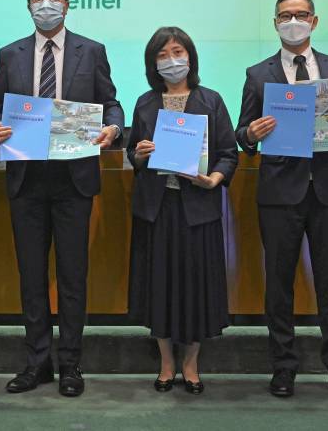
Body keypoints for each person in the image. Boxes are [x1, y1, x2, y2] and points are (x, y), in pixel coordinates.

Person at [0, 0, 124, 397]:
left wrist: (113, 130)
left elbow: (111, 104)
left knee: (72, 275)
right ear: (28, 2)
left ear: (68, 2)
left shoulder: (92, 50)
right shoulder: (10, 54)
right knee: (30, 276)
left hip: (73, 178)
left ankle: (70, 364)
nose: (46, 3)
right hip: (26, 178)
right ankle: (36, 363)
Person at [236, 0, 328, 399]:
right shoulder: (258, 74)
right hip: (279, 192)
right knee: (278, 284)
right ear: (275, 22)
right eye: (285, 16)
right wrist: (251, 136)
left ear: (315, 19)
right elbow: (242, 134)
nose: (293, 21)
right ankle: (283, 367)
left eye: (300, 14)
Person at [127, 26, 237, 395]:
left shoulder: (212, 100)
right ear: (152, 63)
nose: (171, 60)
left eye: (177, 51)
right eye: (162, 54)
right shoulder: (144, 103)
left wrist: (216, 178)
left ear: (190, 56)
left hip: (198, 208)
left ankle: (191, 363)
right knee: (159, 286)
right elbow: (133, 154)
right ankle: (166, 363)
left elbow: (228, 153)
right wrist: (139, 155)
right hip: (157, 209)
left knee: (196, 287)